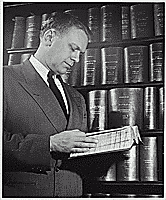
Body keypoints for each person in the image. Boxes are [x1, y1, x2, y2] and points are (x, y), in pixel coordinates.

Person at [3, 12, 98, 197]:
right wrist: (49, 144)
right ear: (49, 38)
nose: (77, 59)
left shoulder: (76, 97)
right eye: (73, 48)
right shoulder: (5, 79)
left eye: (80, 53)